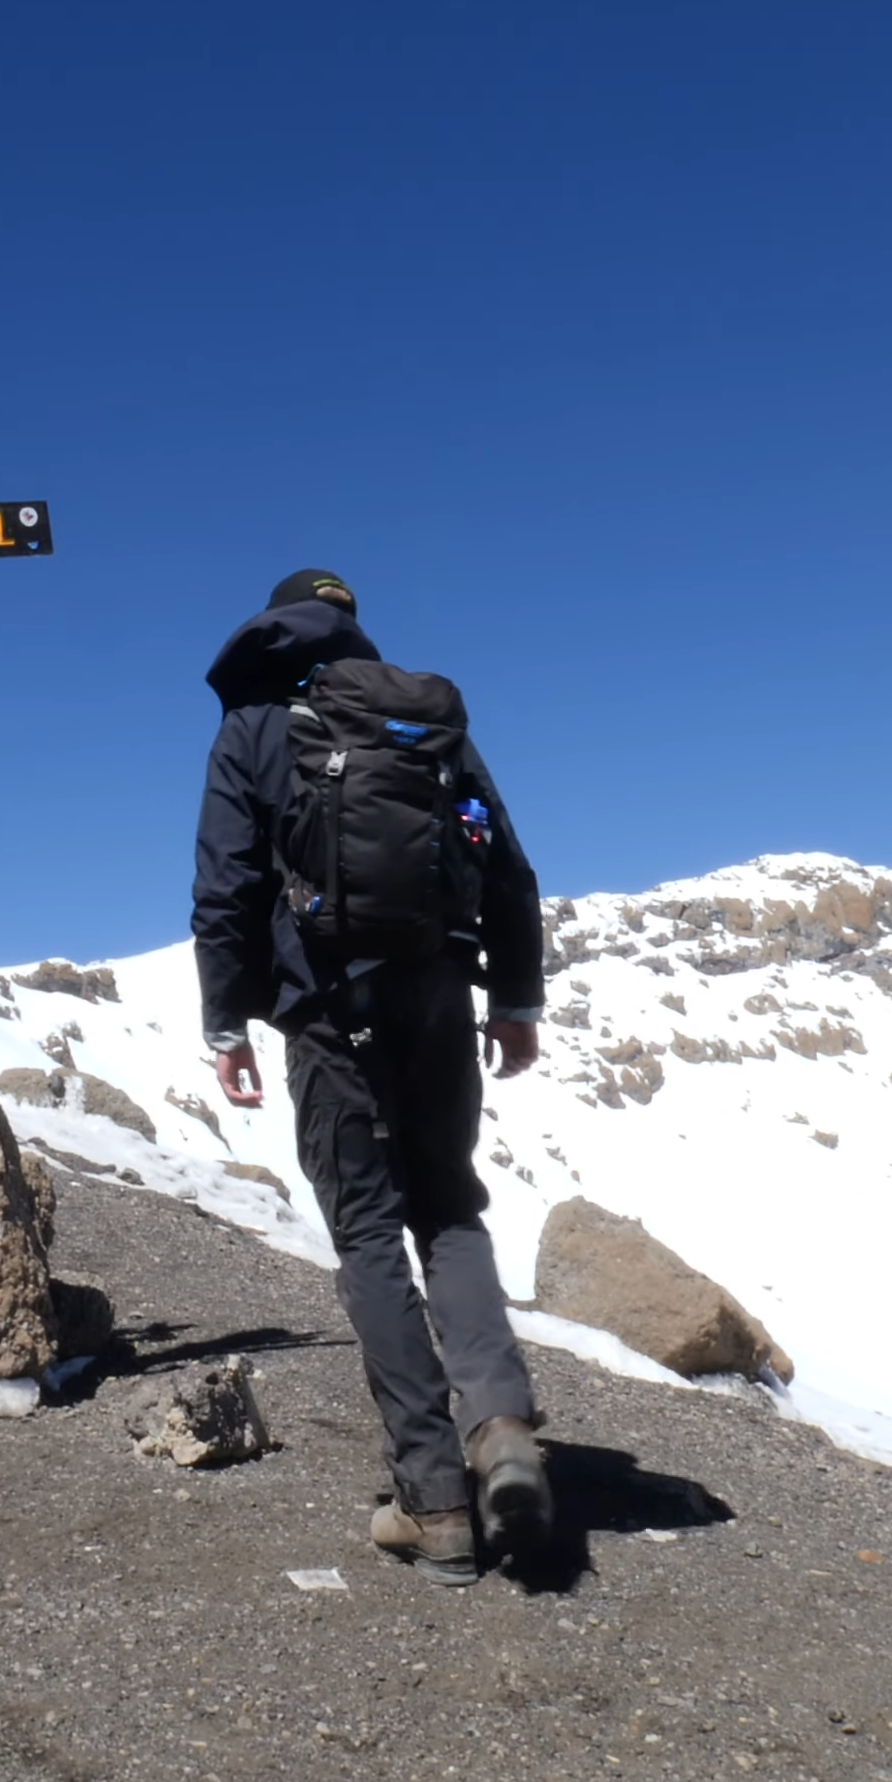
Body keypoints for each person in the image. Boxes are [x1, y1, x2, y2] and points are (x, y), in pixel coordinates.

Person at [191, 568, 550, 1584]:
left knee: (365, 1229)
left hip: (325, 1006)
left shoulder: (257, 724)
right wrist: (513, 1004)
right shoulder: (426, 722)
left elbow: (225, 886)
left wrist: (229, 1022)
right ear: (351, 627)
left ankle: (434, 1503)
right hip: (438, 992)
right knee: (449, 1206)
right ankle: (502, 1426)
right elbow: (509, 868)